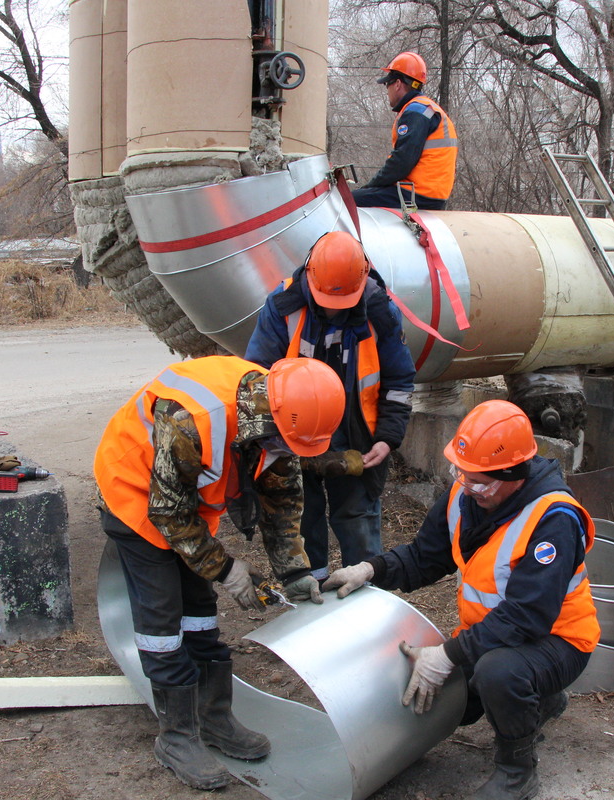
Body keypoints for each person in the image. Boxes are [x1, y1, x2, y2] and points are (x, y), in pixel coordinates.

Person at [323, 400, 599, 800]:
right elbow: (424, 557)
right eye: (460, 473)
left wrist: (450, 654)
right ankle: (542, 699)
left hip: (559, 641)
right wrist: (372, 570)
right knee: (457, 703)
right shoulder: (465, 493)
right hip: (495, 635)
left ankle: (517, 773)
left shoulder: (553, 518)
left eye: (481, 482)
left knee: (498, 674)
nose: (468, 487)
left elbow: (528, 617)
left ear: (514, 475)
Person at [94, 355, 345, 790]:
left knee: (199, 610)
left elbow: (282, 499)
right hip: (135, 493)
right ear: (268, 419)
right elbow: (168, 514)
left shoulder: (290, 411)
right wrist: (226, 569)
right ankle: (176, 737)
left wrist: (294, 572)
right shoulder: (192, 419)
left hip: (187, 503)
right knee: (162, 616)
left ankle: (213, 718)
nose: (286, 453)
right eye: (283, 444)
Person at [245, 230, 416, 583]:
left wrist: (387, 438)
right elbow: (255, 382)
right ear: (309, 275)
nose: (333, 308)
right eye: (325, 300)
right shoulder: (283, 308)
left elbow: (399, 382)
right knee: (300, 518)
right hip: (293, 435)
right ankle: (313, 596)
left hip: (357, 438)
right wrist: (272, 444)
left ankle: (367, 596)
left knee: (358, 519)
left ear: (363, 277)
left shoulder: (380, 312)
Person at [352, 51, 458, 211]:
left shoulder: (415, 112)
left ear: (397, 84)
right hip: (432, 195)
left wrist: (370, 187)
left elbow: (402, 161)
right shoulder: (427, 108)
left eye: (387, 84)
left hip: (416, 195)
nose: (387, 90)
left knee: (349, 201)